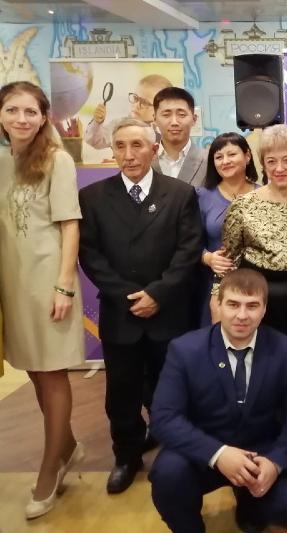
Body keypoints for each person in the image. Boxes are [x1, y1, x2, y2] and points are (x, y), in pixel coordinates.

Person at [78, 117, 203, 494]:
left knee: (173, 387)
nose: (129, 154)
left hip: (169, 311)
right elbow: (90, 255)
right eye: (120, 146)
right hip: (121, 312)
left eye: (137, 145)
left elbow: (188, 250)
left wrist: (158, 294)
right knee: (122, 391)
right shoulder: (93, 197)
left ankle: (179, 452)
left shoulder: (180, 194)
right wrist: (128, 296)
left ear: (154, 149)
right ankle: (126, 455)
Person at [149, 268, 287, 533]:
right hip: (203, 451)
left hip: (260, 453)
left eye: (252, 306)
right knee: (168, 475)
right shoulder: (185, 350)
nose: (242, 315)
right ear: (218, 304)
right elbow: (164, 418)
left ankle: (251, 508)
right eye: (233, 304)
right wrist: (219, 453)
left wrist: (275, 462)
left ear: (264, 309)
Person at [0, 81, 86, 518]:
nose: (21, 118)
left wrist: (64, 284)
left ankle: (50, 469)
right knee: (34, 371)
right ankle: (67, 446)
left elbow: (70, 224)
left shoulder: (57, 159)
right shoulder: (1, 161)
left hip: (49, 282)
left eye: (30, 111)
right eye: (12, 110)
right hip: (12, 282)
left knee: (52, 374)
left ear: (43, 117)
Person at [221, 124, 287, 390]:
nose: (279, 168)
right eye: (271, 161)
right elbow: (229, 260)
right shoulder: (243, 205)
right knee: (263, 374)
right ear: (263, 163)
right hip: (259, 303)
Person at [198, 132, 260, 325]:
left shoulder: (264, 194)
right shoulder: (201, 196)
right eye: (218, 157)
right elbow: (188, 242)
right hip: (216, 286)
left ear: (247, 156)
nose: (225, 161)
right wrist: (208, 258)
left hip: (258, 285)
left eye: (232, 154)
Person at [85, 74, 172, 150]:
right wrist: (97, 123)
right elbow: (94, 141)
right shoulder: (120, 125)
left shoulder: (165, 131)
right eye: (135, 98)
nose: (136, 105)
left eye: (145, 103)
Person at [151, 87, 207, 187]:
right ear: (155, 119)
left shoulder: (209, 160)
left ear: (194, 119)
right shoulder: (145, 161)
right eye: (166, 115)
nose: (174, 122)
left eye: (181, 115)